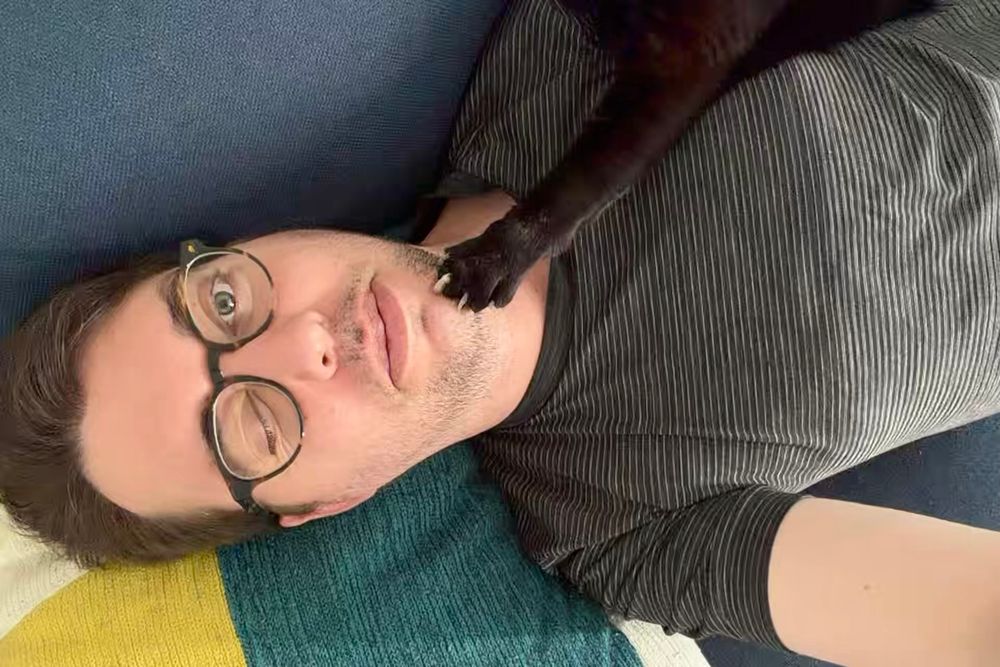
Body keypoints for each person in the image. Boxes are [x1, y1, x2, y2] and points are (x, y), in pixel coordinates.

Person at [3, 0, 1000, 663]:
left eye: (222, 304)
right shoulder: (614, 529)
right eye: (252, 427)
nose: (299, 344)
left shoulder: (559, 56)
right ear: (322, 504)